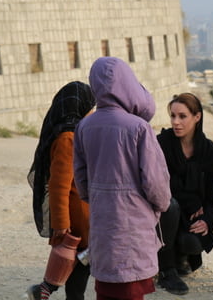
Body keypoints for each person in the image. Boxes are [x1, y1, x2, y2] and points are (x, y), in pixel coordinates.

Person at [73, 57, 171, 300]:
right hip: (133, 224)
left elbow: (81, 181)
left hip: (102, 223)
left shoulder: (84, 127)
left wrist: (98, 197)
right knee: (131, 289)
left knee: (107, 289)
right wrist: (161, 205)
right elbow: (155, 182)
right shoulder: (138, 127)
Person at [27, 81, 96, 300]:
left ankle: (45, 289)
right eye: (90, 107)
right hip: (78, 213)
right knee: (83, 259)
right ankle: (50, 290)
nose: (92, 112)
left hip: (79, 211)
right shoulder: (69, 137)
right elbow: (59, 185)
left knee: (79, 259)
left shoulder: (70, 132)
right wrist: (61, 224)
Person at [156, 93, 213, 295]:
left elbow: (211, 197)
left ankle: (180, 256)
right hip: (161, 212)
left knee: (192, 243)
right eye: (173, 116)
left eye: (182, 116)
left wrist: (207, 220)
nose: (176, 122)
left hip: (191, 214)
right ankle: (166, 269)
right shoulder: (161, 145)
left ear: (197, 117)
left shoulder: (210, 153)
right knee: (171, 205)